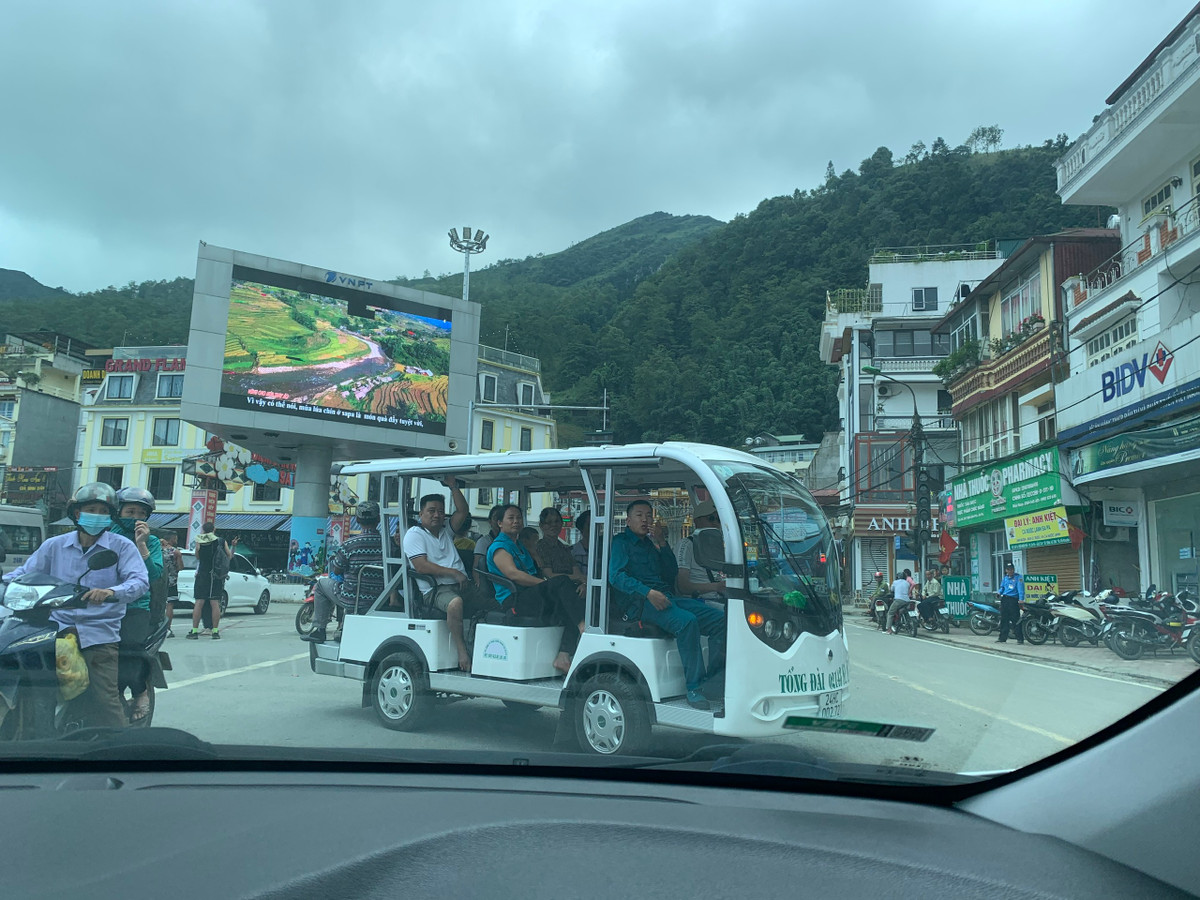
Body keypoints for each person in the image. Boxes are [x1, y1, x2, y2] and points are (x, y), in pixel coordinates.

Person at [2, 482, 148, 729]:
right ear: (77, 513)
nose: (98, 516)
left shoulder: (121, 547)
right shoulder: (54, 545)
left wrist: (111, 591)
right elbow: (24, 574)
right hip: (52, 630)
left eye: (104, 512)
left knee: (105, 698)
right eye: (92, 509)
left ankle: (121, 750)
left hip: (98, 633)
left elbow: (139, 580)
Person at [609, 499, 725, 710]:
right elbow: (615, 576)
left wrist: (662, 543)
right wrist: (647, 593)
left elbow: (671, 573)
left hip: (667, 597)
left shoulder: (652, 544)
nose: (645, 520)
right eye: (639, 515)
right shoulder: (620, 543)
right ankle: (694, 687)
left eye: (649, 516)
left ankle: (713, 682)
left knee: (721, 621)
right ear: (628, 520)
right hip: (640, 604)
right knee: (687, 622)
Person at [402, 478, 494, 671]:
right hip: (435, 590)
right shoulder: (414, 534)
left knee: (494, 605)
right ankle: (462, 652)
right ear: (421, 514)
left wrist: (453, 487)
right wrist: (453, 573)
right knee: (455, 604)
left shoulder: (446, 531)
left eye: (440, 511)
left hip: (462, 585)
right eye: (431, 511)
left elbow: (462, 511)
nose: (437, 515)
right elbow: (421, 566)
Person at [487, 504, 586, 673]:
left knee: (570, 599)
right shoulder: (499, 547)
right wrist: (546, 584)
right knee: (561, 582)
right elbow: (514, 575)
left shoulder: (520, 546)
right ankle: (583, 628)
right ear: (500, 523)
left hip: (530, 596)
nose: (516, 521)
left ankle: (563, 655)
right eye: (510, 518)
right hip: (514, 599)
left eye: (518, 517)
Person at [110, 487, 164, 723]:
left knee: (129, 646)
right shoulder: (103, 534)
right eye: (130, 511)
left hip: (136, 606)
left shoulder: (151, 541)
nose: (135, 517)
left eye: (140, 514)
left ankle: (140, 690)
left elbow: (154, 575)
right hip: (99, 604)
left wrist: (141, 545)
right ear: (117, 511)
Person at [302, 501, 384, 644]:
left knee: (321, 585)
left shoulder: (349, 544)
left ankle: (319, 630)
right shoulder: (388, 545)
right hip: (381, 597)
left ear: (357, 520)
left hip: (353, 599)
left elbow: (337, 569)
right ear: (378, 519)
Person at [675, 499, 727, 602]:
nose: (716, 523)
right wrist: (716, 587)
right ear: (697, 521)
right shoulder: (687, 545)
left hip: (720, 598)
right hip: (698, 601)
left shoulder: (718, 546)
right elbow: (683, 586)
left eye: (719, 520)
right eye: (711, 518)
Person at [186, 522, 230, 639]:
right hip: (215, 576)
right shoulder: (220, 541)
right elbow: (228, 556)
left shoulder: (199, 540)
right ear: (214, 529)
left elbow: (197, 556)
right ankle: (215, 631)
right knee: (214, 603)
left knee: (199, 603)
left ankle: (194, 631)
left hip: (202, 574)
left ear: (203, 529)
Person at [535, 506, 587, 597]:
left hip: (570, 589)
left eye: (556, 521)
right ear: (541, 526)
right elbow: (549, 575)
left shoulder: (564, 548)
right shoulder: (540, 547)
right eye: (549, 522)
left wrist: (584, 584)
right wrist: (576, 578)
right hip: (551, 592)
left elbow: (577, 572)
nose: (553, 525)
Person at [996, 561, 1025, 644]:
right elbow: (1002, 587)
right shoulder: (1005, 578)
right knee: (1004, 619)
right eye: (1008, 569)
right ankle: (1002, 638)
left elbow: (1021, 590)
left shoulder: (1018, 578)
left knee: (1015, 619)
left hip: (1013, 600)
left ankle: (1019, 638)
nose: (1010, 571)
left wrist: (1021, 599)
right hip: (1005, 600)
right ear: (1006, 570)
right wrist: (999, 592)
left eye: (1011, 569)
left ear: (1014, 569)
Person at [162, 532, 183, 637]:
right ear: (172, 539)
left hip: (158, 580)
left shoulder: (156, 549)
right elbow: (180, 567)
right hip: (171, 581)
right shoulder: (176, 552)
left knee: (157, 603)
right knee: (169, 604)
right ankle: (167, 628)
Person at [884, 569, 913, 634]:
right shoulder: (907, 583)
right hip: (907, 600)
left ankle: (889, 629)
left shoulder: (895, 582)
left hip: (898, 600)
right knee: (905, 611)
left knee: (890, 613)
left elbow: (892, 590)